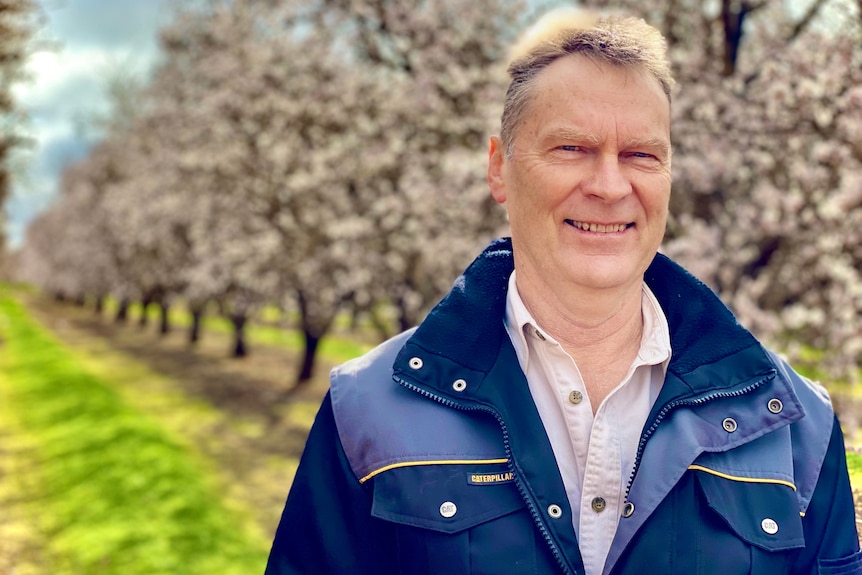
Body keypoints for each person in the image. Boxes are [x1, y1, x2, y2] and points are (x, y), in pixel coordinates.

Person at [265, 12, 861, 575]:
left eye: (641, 155)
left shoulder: (793, 425)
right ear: (499, 168)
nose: (609, 185)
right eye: (572, 148)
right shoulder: (367, 410)